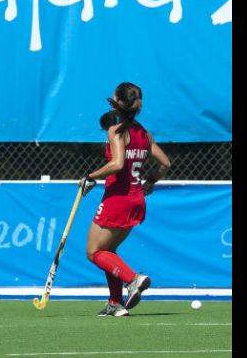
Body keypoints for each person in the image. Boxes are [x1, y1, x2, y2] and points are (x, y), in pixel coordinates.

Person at [79, 82, 171, 317]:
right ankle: (114, 303)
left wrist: (91, 176)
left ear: (119, 102)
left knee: (94, 252)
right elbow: (165, 163)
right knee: (109, 250)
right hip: (137, 199)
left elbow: (117, 164)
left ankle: (133, 279)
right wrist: (150, 181)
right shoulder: (144, 134)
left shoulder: (117, 131)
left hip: (117, 199)